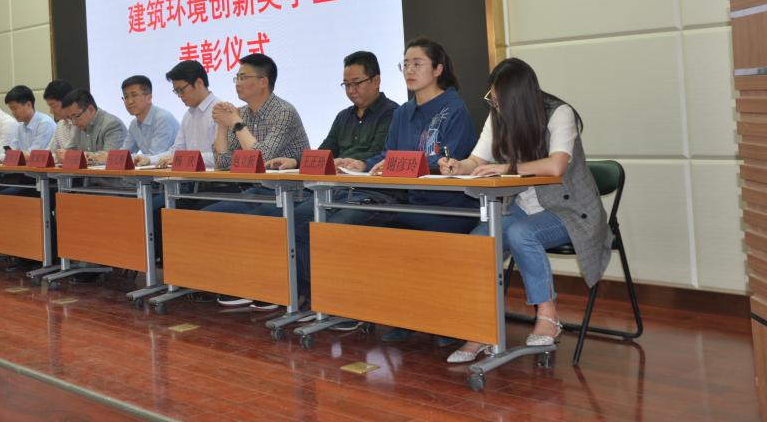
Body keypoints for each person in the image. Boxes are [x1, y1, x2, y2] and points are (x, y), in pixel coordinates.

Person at [439, 58, 611, 363]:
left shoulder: (559, 113)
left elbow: (556, 165)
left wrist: (507, 168)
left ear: (519, 98)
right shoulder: (497, 115)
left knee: (521, 234)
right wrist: (458, 166)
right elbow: (477, 160)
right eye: (492, 99)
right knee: (479, 241)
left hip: (568, 209)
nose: (495, 105)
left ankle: (548, 316)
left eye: (499, 100)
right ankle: (482, 327)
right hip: (524, 207)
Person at [335, 38, 478, 342]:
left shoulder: (455, 109)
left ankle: (445, 320)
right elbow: (388, 155)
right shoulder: (403, 113)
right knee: (375, 229)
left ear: (438, 69)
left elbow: (450, 162)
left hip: (451, 206)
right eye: (406, 64)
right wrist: (364, 164)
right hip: (413, 201)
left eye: (417, 64)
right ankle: (406, 313)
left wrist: (399, 163)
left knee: (402, 229)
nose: (409, 71)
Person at [261, 51, 398, 312]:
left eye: (357, 83)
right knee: (295, 220)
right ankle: (310, 297)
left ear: (376, 80)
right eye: (346, 84)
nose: (351, 90)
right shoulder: (343, 117)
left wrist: (355, 163)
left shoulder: (393, 113)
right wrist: (296, 161)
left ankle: (344, 305)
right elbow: (324, 151)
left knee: (333, 228)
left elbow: (382, 155)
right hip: (334, 192)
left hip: (373, 195)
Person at [206, 53, 310, 310]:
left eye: (244, 77)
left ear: (263, 82)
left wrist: (236, 124)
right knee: (213, 214)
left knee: (259, 218)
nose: (238, 83)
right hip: (257, 191)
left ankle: (277, 288)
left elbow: (262, 158)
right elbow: (223, 162)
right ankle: (243, 282)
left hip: (292, 194)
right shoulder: (241, 114)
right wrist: (222, 126)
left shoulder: (283, 112)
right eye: (236, 78)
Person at [136, 60, 218, 169]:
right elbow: (176, 152)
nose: (179, 95)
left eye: (181, 90)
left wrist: (183, 158)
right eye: (176, 91)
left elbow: (223, 158)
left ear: (199, 83)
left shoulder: (221, 110)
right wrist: (149, 160)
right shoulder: (188, 115)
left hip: (215, 179)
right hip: (189, 177)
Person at [106, 75, 179, 163]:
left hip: (171, 170)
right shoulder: (134, 124)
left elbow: (155, 155)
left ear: (149, 98)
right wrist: (107, 156)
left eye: (134, 95)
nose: (130, 101)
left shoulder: (163, 118)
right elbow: (124, 152)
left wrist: (125, 157)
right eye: (126, 97)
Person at [59, 88, 127, 164]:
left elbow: (109, 158)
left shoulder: (112, 125)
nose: (74, 123)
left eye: (76, 116)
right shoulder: (79, 126)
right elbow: (69, 151)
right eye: (70, 118)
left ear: (90, 109)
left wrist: (81, 157)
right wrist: (63, 155)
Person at [5, 85, 56, 153]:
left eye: (15, 108)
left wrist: (8, 155)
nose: (13, 113)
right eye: (11, 109)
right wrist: (3, 155)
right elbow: (13, 149)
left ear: (28, 105)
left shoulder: (45, 123)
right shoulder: (20, 126)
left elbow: (33, 153)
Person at [43, 79, 79, 153]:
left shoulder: (81, 123)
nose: (51, 111)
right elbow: (50, 152)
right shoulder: (60, 124)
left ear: (66, 101)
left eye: (53, 106)